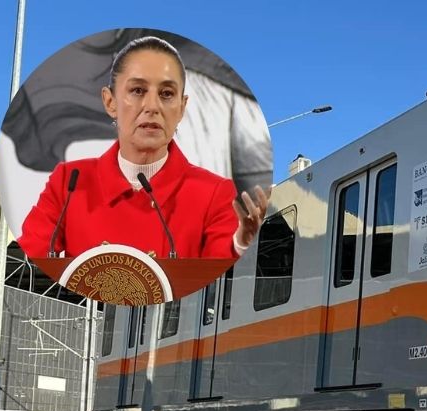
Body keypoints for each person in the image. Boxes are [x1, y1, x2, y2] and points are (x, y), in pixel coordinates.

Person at [14, 36, 268, 259]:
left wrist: (240, 245)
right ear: (110, 101)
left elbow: (216, 275)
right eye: (137, 90)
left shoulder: (214, 192)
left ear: (181, 107)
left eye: (167, 94)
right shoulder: (69, 182)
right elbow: (33, 253)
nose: (152, 106)